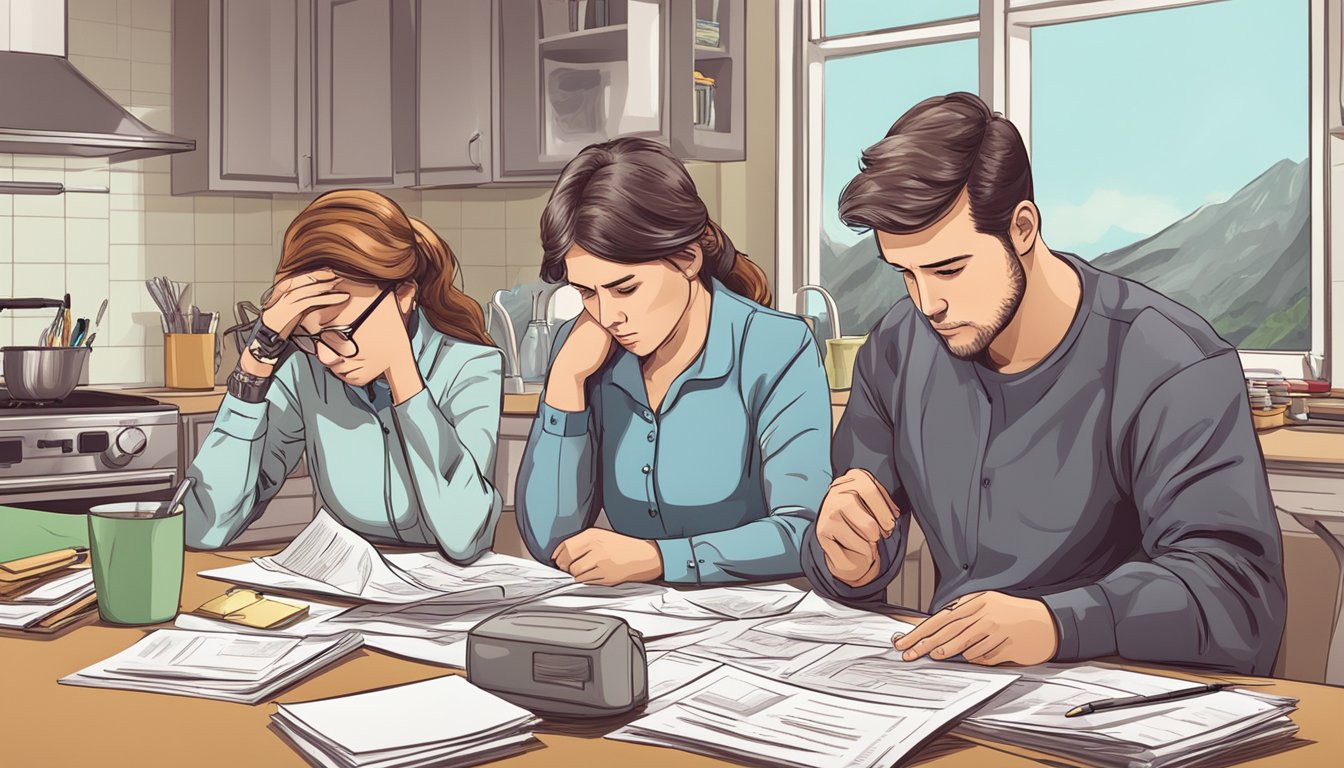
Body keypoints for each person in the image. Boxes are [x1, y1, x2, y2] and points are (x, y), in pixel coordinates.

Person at [803, 92, 1286, 675]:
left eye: (950, 268)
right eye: (906, 273)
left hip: (1119, 701)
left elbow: (1238, 600)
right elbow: (852, 549)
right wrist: (846, 559)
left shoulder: (1169, 360)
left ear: (1024, 227)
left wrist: (1058, 623)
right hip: (948, 689)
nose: (928, 302)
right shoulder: (897, 348)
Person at [516, 137, 832, 586]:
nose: (608, 316)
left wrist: (659, 559)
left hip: (757, 625)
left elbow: (805, 529)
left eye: (625, 289)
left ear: (686, 259)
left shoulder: (776, 346)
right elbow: (550, 542)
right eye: (586, 292)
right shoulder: (584, 347)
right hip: (637, 620)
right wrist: (566, 383)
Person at [186, 189, 505, 562]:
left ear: (403, 296)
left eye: (342, 332)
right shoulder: (305, 372)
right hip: (343, 593)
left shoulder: (471, 366)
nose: (325, 355)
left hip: (448, 600)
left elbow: (465, 535)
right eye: (308, 337)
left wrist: (403, 374)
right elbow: (202, 528)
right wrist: (256, 361)